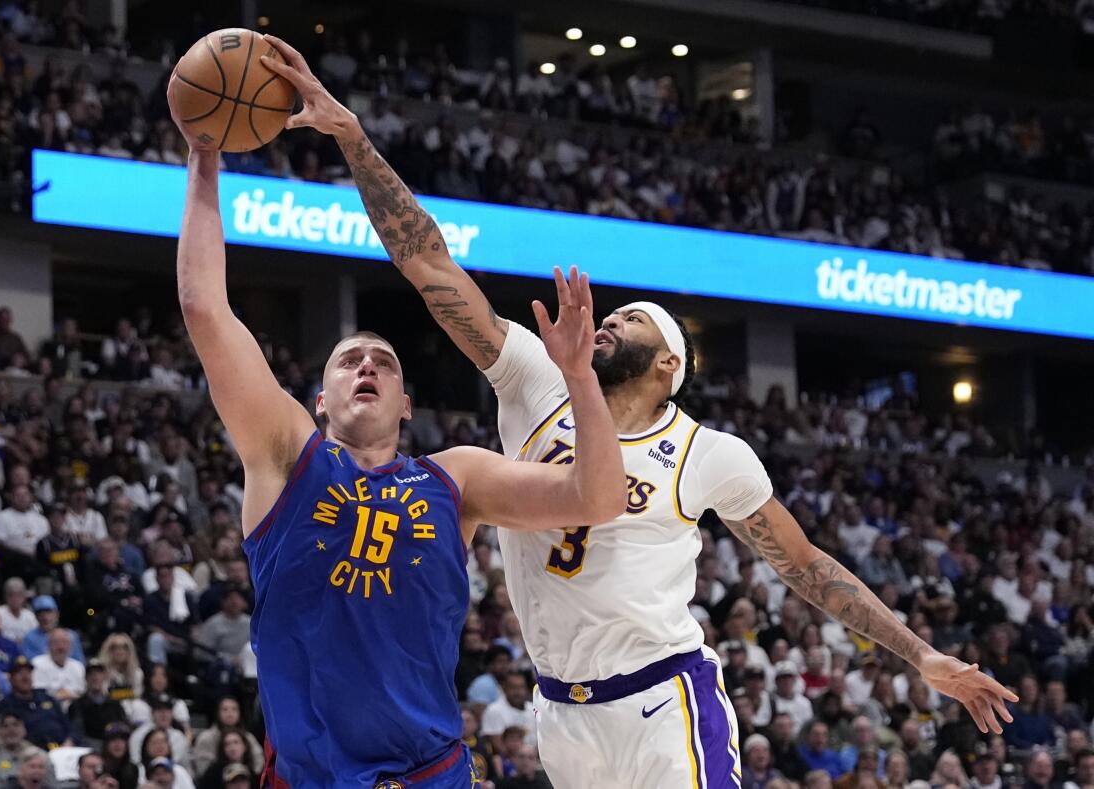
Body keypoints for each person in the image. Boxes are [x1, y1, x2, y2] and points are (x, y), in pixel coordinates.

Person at [257, 33, 1021, 787]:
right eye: (613, 313)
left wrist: (923, 655)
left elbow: (806, 565)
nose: (611, 319)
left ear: (668, 365)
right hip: (559, 713)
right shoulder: (534, 379)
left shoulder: (709, 452)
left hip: (664, 699)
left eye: (633, 320)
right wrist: (353, 138)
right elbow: (427, 263)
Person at [168, 62, 627, 789]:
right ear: (318, 399)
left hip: (431, 773)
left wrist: (578, 378)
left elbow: (597, 497)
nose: (367, 366)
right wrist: (204, 154)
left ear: (407, 404)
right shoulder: (288, 454)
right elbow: (204, 308)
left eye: (382, 361)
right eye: (349, 360)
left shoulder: (455, 476)